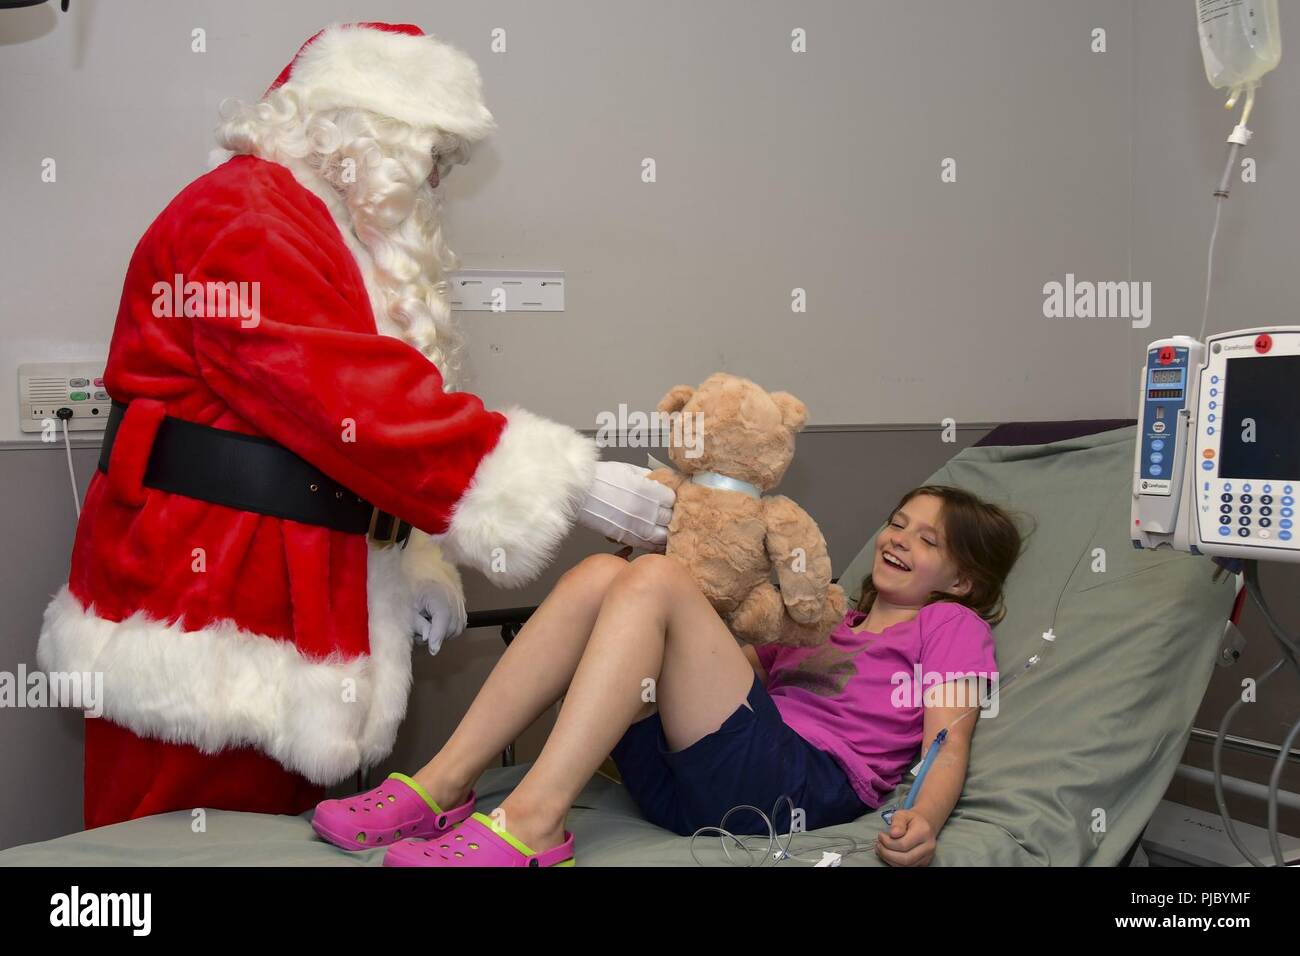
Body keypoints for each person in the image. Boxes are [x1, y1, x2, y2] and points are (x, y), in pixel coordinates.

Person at [37, 21, 673, 830]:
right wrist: (578, 482)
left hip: (286, 598)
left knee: (266, 844)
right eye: (429, 155)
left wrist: (411, 569)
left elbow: (331, 440)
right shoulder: (244, 218)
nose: (436, 181)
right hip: (198, 610)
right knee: (172, 844)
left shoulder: (319, 231)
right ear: (358, 129)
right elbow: (358, 403)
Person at [311, 484, 1023, 866]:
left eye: (929, 541)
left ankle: (531, 820)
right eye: (898, 523)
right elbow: (732, 686)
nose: (899, 539)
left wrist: (923, 819)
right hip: (697, 783)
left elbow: (947, 744)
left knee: (653, 580)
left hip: (798, 788)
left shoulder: (950, 626)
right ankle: (441, 787)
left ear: (962, 580)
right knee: (604, 575)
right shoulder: (824, 621)